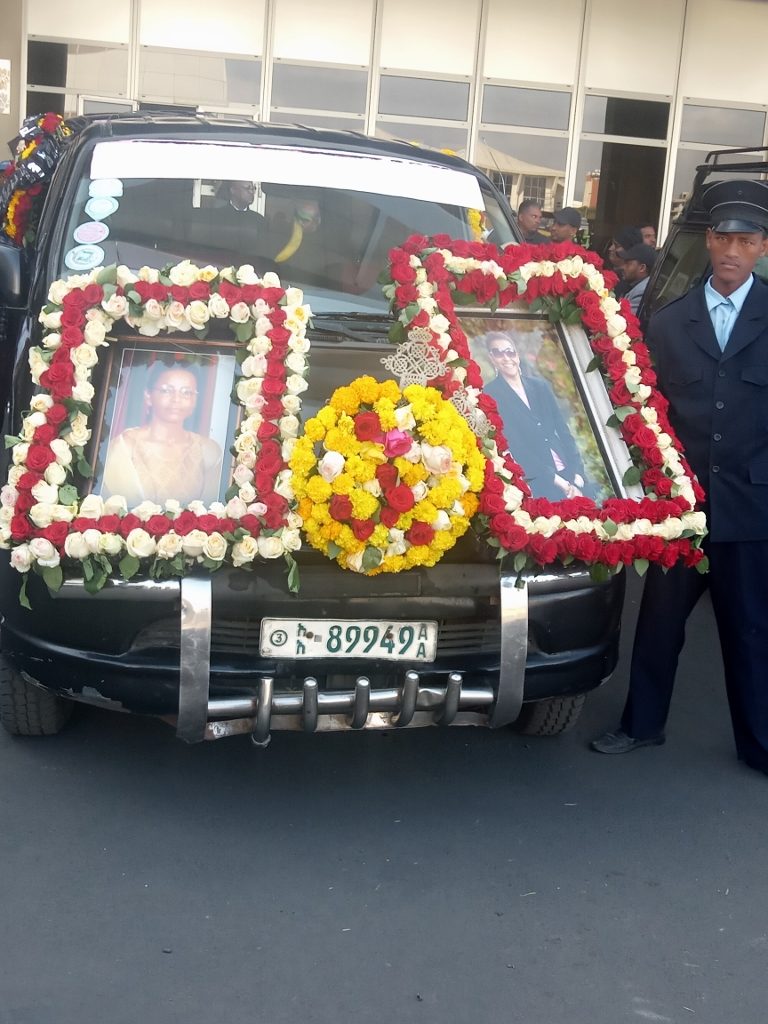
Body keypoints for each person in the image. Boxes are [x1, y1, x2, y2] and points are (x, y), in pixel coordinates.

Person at [590, 179, 768, 777]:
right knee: (659, 624)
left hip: (751, 505)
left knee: (751, 630)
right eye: (724, 239)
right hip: (682, 509)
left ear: (762, 247)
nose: (732, 251)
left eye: (746, 241)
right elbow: (644, 411)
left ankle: (758, 742)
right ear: (708, 241)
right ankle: (641, 725)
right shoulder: (669, 323)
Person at [483, 332, 587, 501]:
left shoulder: (540, 386)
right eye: (498, 353)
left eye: (510, 352)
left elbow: (563, 430)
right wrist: (561, 483)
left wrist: (577, 473)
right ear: (492, 358)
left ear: (517, 355)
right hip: (538, 480)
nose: (506, 358)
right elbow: (516, 445)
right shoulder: (491, 394)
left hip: (569, 472)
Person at [102, 362, 223, 508]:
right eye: (166, 391)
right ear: (148, 396)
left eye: (186, 392)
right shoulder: (124, 447)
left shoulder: (208, 450)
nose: (176, 399)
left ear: (195, 400)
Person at [615, 242, 657, 314]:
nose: (623, 267)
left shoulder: (641, 292)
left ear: (642, 268)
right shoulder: (635, 285)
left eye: (628, 264)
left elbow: (625, 318)